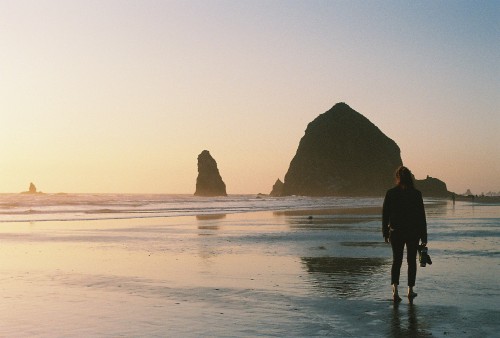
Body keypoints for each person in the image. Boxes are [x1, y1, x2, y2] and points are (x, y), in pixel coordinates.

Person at [382, 166, 427, 303]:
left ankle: (395, 291)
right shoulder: (416, 194)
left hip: (396, 232)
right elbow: (421, 216)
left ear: (397, 178)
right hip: (413, 232)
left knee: (397, 260)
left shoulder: (390, 193)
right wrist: (424, 236)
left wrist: (385, 232)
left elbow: (385, 215)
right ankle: (410, 290)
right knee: (411, 261)